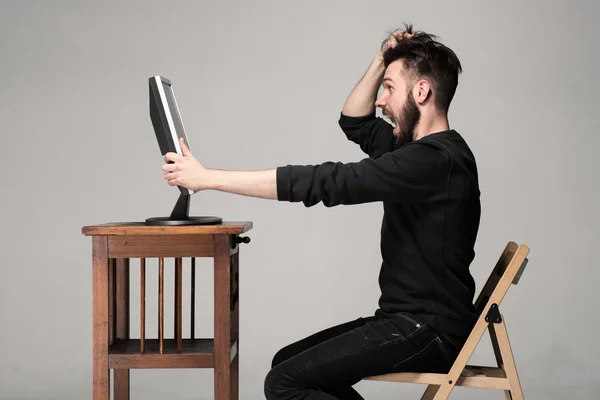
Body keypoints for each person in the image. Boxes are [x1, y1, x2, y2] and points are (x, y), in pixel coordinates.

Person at [162, 23, 481, 400]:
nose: (381, 100)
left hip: (427, 330)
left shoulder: (434, 161)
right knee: (285, 362)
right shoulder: (413, 150)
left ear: (422, 91)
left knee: (284, 382)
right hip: (406, 320)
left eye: (390, 88)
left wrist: (208, 177)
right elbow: (355, 121)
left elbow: (327, 181)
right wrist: (383, 60)